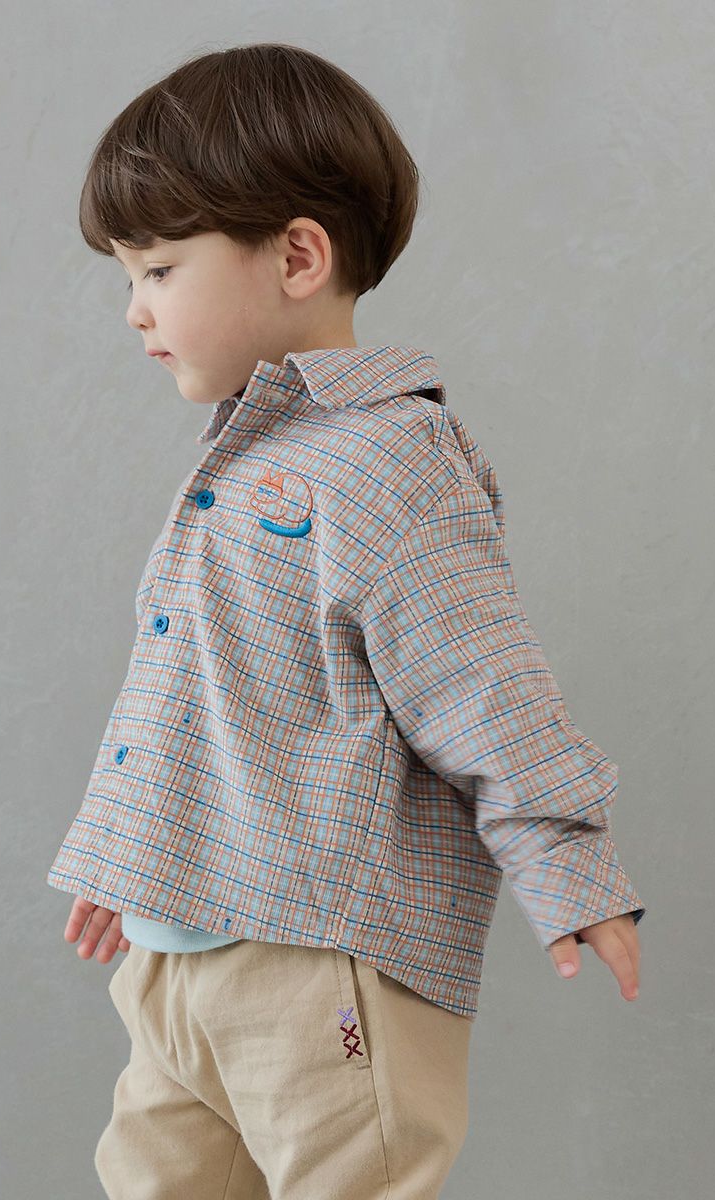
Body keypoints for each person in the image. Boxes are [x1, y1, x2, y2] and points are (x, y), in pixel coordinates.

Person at [47, 41, 646, 1200]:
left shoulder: (390, 457)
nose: (134, 310)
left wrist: (566, 857)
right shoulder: (242, 459)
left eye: (158, 269)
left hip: (318, 965)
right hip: (179, 956)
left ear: (297, 256)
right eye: (127, 277)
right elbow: (193, 680)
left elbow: (480, 676)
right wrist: (132, 847)